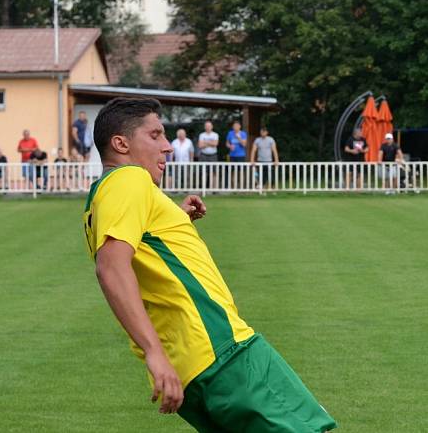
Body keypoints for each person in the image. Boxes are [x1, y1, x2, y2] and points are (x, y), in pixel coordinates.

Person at [82, 97, 336, 431]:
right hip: (221, 349)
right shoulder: (129, 180)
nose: (168, 146)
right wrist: (153, 352)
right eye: (156, 135)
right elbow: (112, 268)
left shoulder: (101, 198)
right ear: (121, 143)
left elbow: (145, 248)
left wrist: (177, 216)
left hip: (193, 364)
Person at [197, 121, 220, 191]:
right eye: (206, 126)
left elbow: (215, 144)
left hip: (213, 155)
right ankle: (204, 189)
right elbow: (200, 145)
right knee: (203, 172)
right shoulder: (201, 135)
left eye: (209, 126)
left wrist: (205, 143)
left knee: (214, 172)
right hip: (203, 155)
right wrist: (211, 143)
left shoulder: (215, 135)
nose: (208, 127)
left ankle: (214, 189)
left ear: (212, 127)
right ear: (205, 127)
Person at [226, 121, 248, 189]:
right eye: (234, 126)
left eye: (236, 126)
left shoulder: (243, 134)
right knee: (233, 171)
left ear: (239, 126)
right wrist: (230, 146)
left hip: (241, 155)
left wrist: (238, 138)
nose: (235, 127)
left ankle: (241, 187)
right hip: (232, 155)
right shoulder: (230, 133)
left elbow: (244, 144)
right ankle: (234, 187)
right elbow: (227, 143)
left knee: (241, 171)